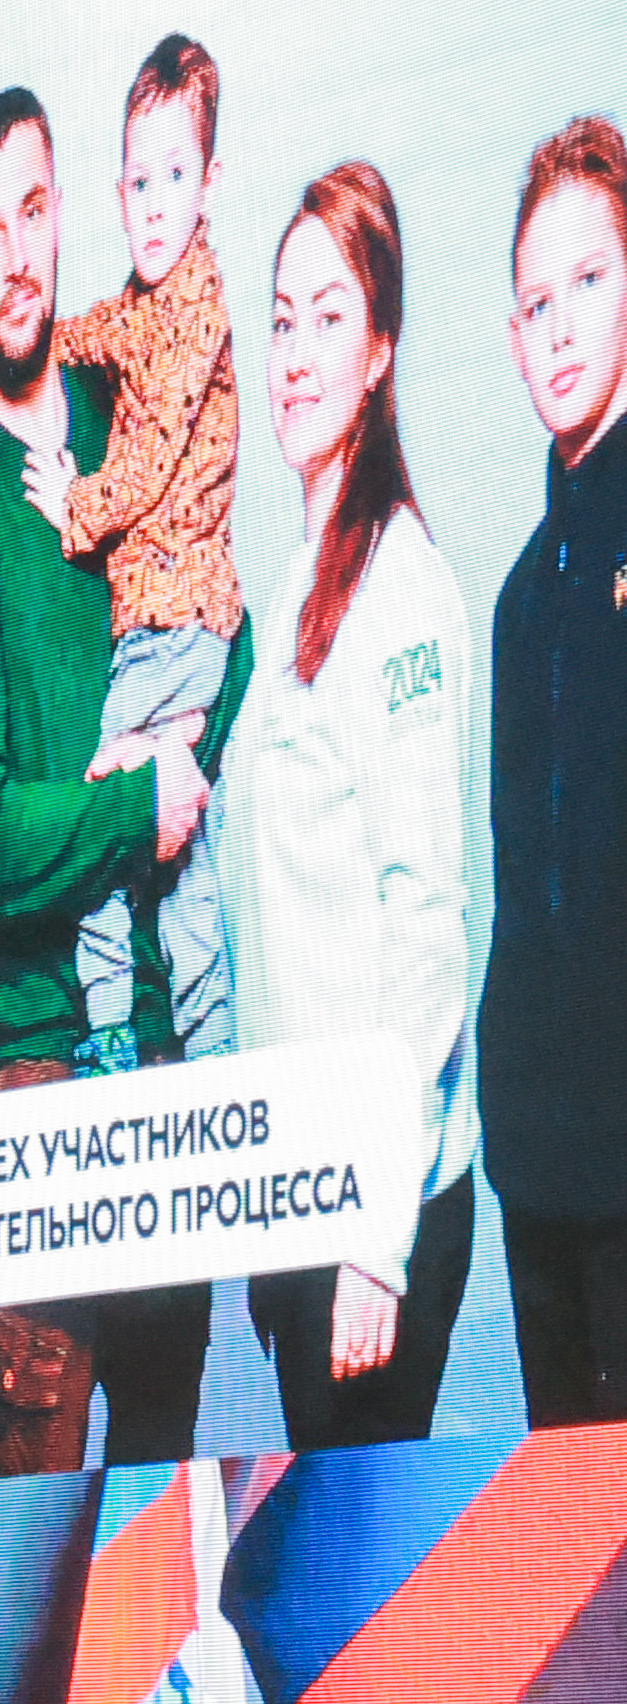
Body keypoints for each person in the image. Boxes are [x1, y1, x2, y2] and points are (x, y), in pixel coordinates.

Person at [0, 89, 233, 1469]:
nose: (12, 258)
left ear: (66, 219)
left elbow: (225, 622)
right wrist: (127, 804)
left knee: (170, 1500)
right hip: (43, 1068)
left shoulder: (134, 410)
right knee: (33, 1522)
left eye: (30, 214)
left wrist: (178, 757)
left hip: (165, 1045)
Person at [235, 162, 482, 1443]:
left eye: (328, 317)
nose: (294, 353)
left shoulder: (401, 590)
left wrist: (376, 1243)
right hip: (301, 1196)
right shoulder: (293, 586)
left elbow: (426, 928)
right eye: (280, 318)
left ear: (380, 348)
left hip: (373, 1220)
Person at [29, 34, 247, 1070]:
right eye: (137, 182)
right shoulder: (149, 300)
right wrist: (45, 343)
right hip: (169, 625)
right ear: (117, 193)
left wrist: (71, 504)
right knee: (184, 860)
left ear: (209, 182)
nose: (154, 204)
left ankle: (109, 1029)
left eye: (174, 176)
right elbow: (105, 329)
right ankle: (212, 1050)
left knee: (107, 809)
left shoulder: (196, 312)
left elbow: (150, 458)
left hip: (173, 623)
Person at [482, 118, 627, 1427]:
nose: (561, 325)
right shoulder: (518, 600)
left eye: (589, 279)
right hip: (538, 1169)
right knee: (569, 1536)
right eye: (535, 302)